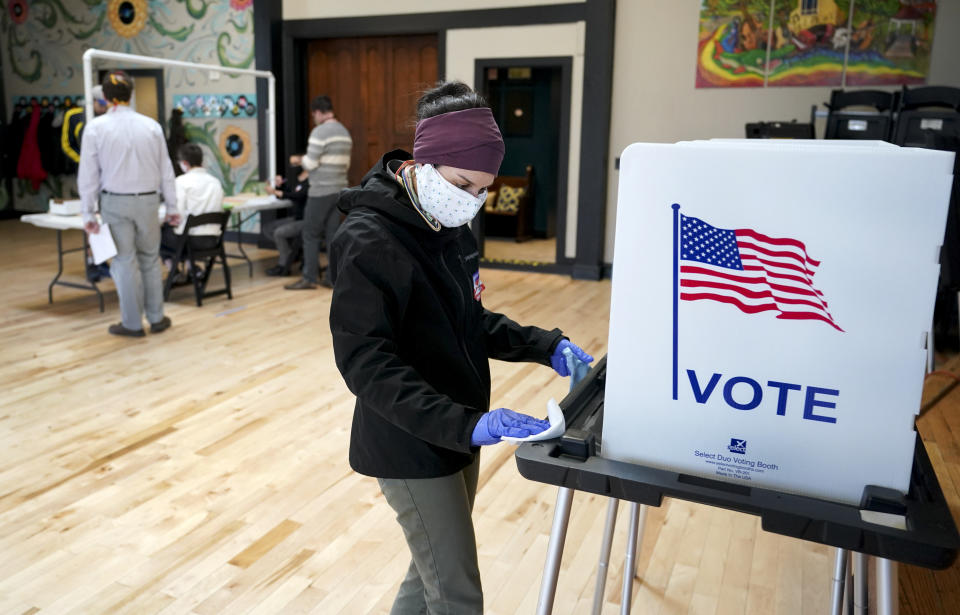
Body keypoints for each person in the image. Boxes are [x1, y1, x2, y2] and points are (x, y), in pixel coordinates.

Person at [328, 81, 593, 614]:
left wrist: (545, 346)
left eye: (483, 190)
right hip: (409, 439)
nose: (472, 201)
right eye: (462, 183)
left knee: (428, 575)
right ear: (425, 164)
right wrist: (463, 425)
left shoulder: (447, 221)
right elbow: (366, 364)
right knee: (456, 592)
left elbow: (467, 317)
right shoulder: (368, 240)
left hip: (457, 428)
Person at [78, 70, 180, 338]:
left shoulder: (96, 128)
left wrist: (87, 211)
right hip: (148, 201)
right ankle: (157, 318)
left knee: (124, 262)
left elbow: (88, 174)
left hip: (115, 202)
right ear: (130, 94)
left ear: (106, 97)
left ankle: (132, 324)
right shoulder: (152, 126)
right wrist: (172, 207)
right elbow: (166, 170)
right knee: (149, 259)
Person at [285, 95, 352, 290]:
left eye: (314, 114)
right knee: (332, 235)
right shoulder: (344, 132)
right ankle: (331, 278)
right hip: (339, 189)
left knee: (310, 233)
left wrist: (299, 160)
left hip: (321, 189)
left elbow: (311, 163)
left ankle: (309, 278)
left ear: (318, 112)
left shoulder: (320, 131)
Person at [159, 143, 225, 280]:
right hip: (213, 240)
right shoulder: (215, 182)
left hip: (189, 241)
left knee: (157, 236)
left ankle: (173, 269)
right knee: (181, 232)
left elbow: (177, 213)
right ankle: (191, 267)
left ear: (184, 163)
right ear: (201, 160)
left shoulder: (181, 182)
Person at [262, 167, 309, 276]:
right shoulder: (298, 181)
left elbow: (298, 196)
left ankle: (283, 265)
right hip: (296, 217)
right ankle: (291, 254)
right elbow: (291, 192)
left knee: (279, 232)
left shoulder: (312, 182)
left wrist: (275, 192)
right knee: (268, 228)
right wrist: (280, 186)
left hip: (306, 219)